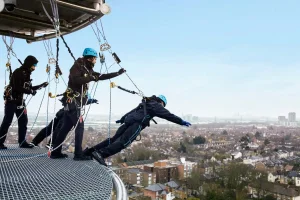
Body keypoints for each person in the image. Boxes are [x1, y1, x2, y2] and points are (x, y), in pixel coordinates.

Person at [50, 48, 126, 160]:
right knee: (79, 127)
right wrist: (91, 77)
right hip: (73, 101)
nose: (96, 61)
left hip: (72, 102)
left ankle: (55, 152)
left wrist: (117, 74)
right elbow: (76, 80)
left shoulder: (87, 69)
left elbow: (101, 76)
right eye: (94, 59)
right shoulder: (77, 67)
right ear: (90, 58)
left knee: (65, 128)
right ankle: (78, 154)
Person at [83, 95, 192, 166]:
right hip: (136, 125)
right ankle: (101, 154)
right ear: (162, 102)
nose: (162, 107)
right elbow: (168, 115)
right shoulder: (156, 105)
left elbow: (132, 111)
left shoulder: (146, 103)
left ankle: (90, 151)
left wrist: (122, 118)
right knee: (122, 143)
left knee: (112, 140)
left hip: (128, 122)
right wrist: (181, 121)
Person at [0, 55, 48, 149]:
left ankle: (22, 142)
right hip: (12, 100)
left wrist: (41, 86)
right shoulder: (18, 72)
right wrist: (30, 91)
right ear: (29, 64)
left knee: (23, 121)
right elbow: (17, 87)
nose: (35, 67)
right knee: (7, 121)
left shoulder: (26, 73)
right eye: (34, 65)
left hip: (20, 101)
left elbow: (29, 88)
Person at [31, 98, 98, 148]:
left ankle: (35, 141)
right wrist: (91, 101)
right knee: (59, 129)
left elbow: (81, 101)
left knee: (50, 128)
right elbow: (81, 101)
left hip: (62, 112)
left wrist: (91, 101)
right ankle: (51, 144)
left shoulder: (72, 90)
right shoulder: (78, 90)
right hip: (66, 114)